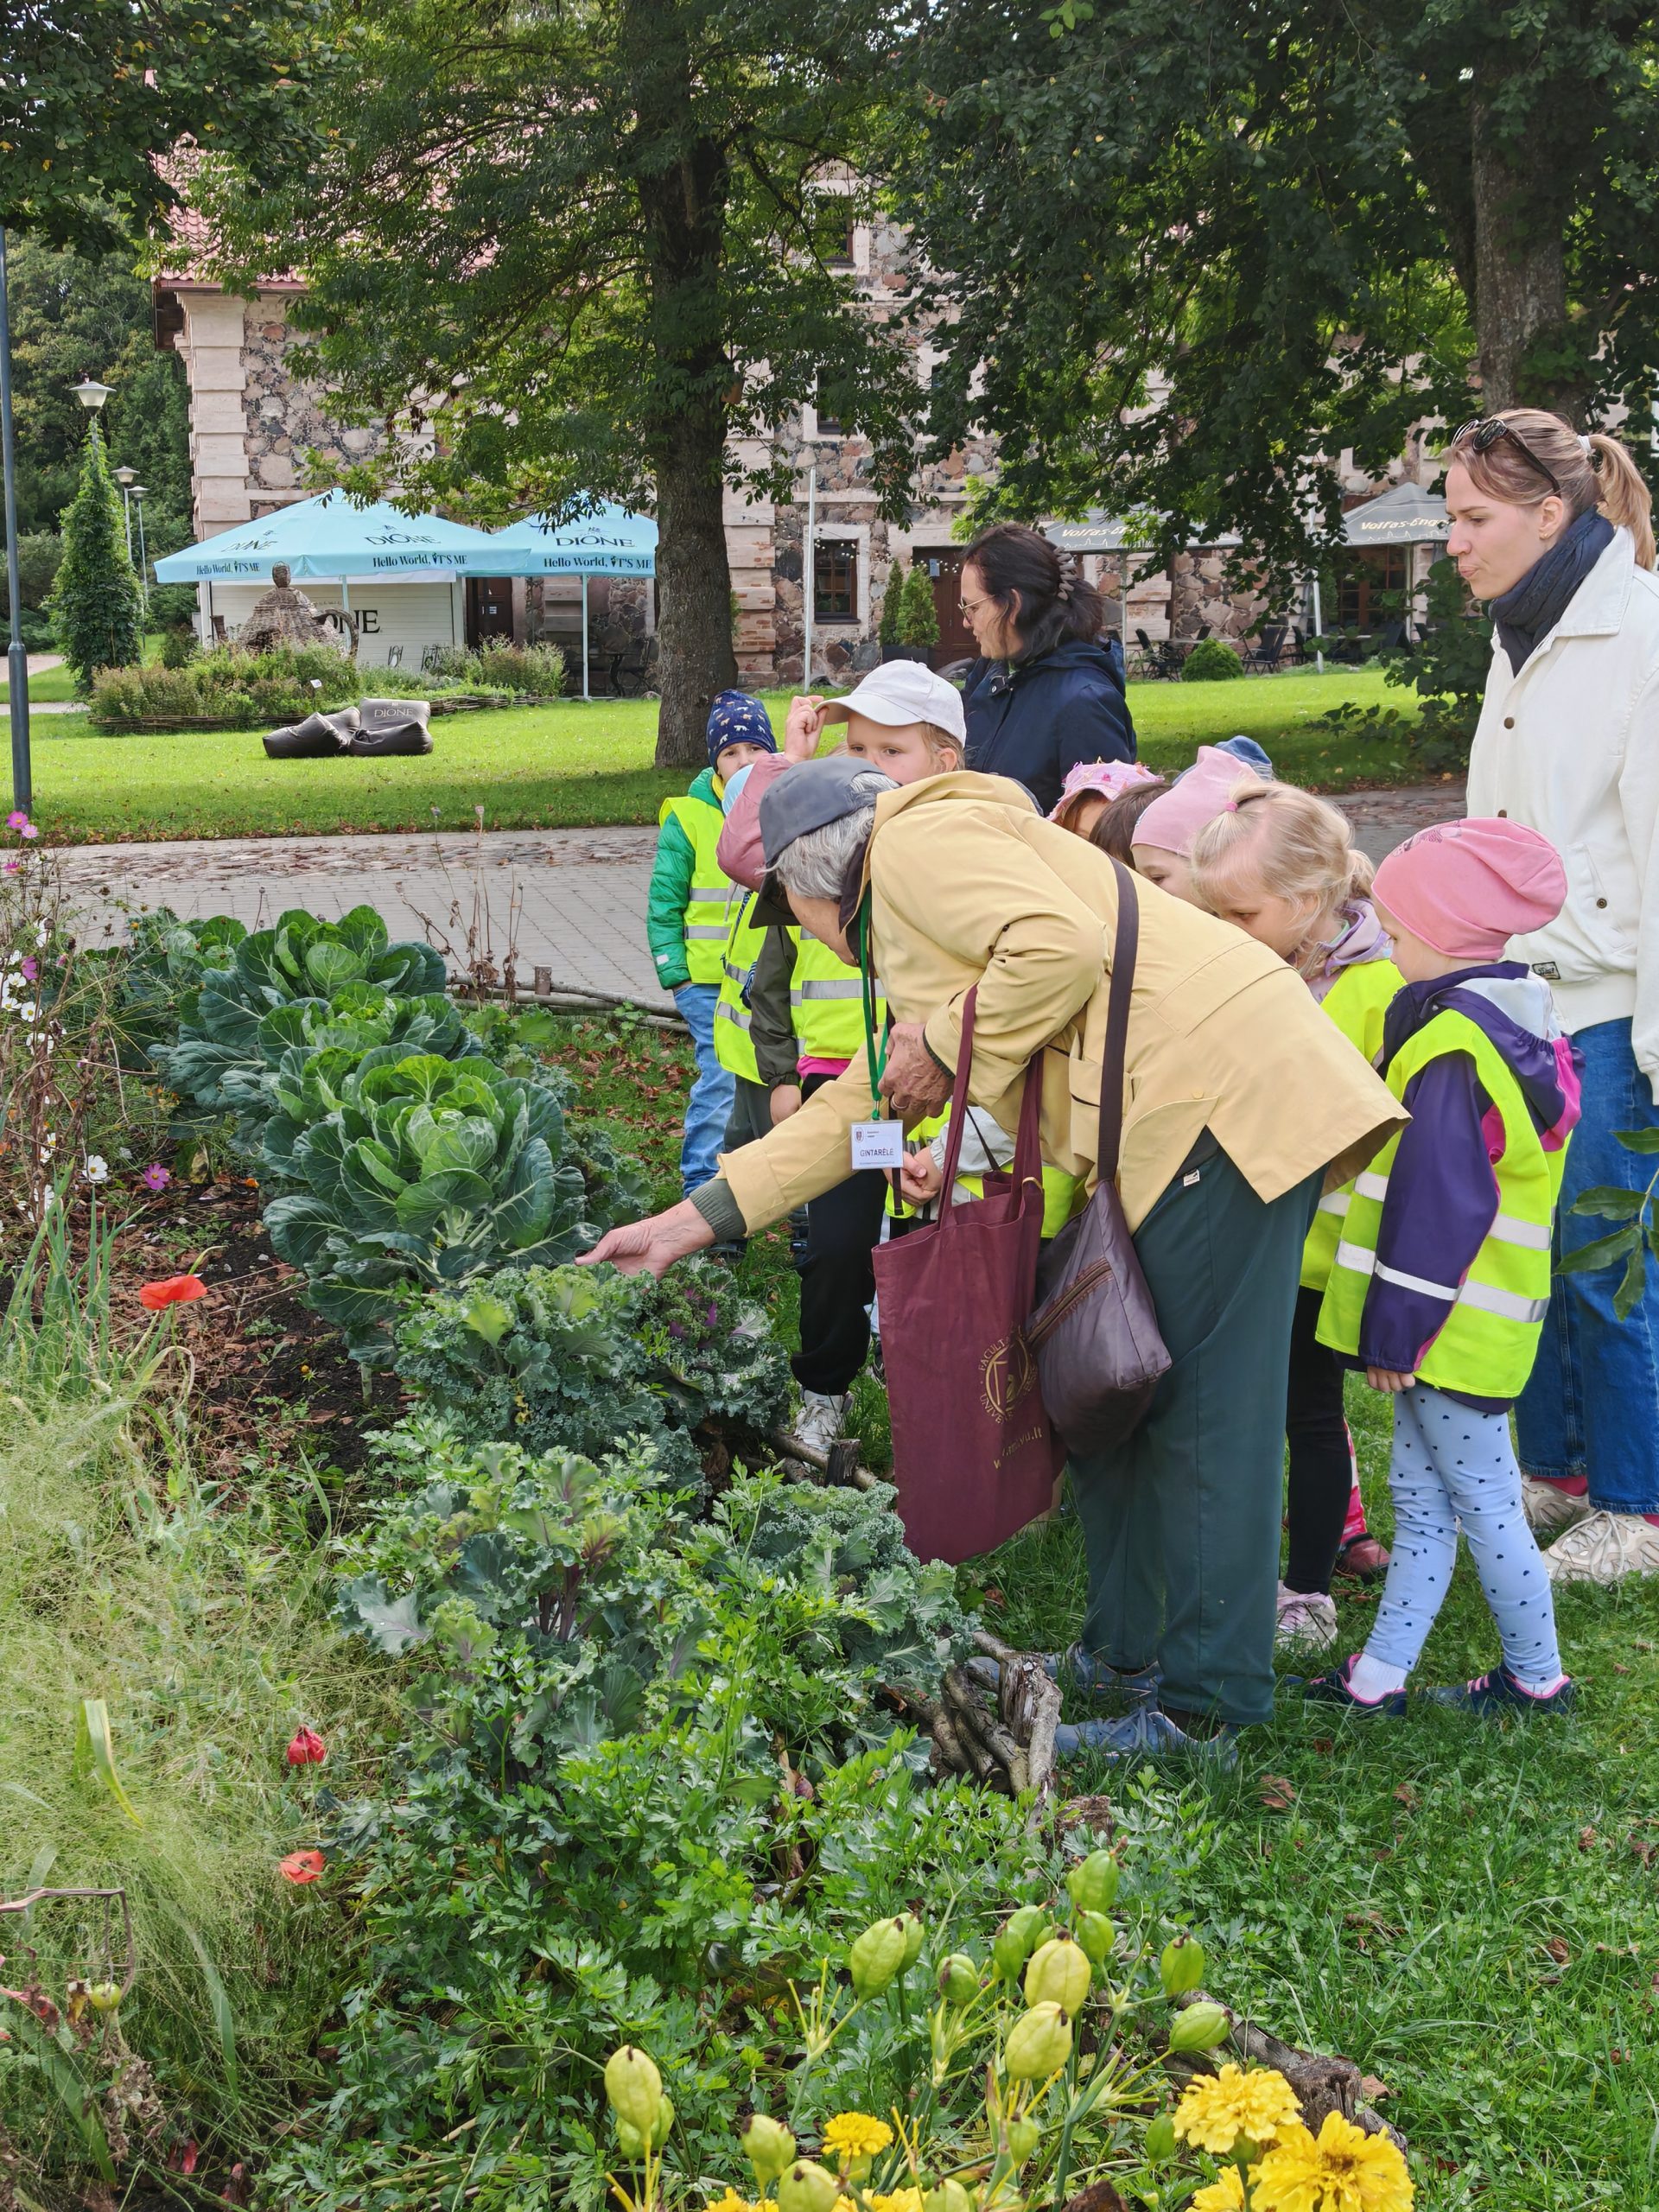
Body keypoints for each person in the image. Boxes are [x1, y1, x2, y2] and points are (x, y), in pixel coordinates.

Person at [583, 756, 1407, 1750]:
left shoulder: (913, 844)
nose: (796, 930)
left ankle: (1204, 1712)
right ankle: (1122, 1655)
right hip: (1167, 1116)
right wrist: (688, 1224)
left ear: (809, 881)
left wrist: (943, 1042)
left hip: (1222, 1103)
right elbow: (869, 1097)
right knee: (1112, 1401)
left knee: (1201, 1421)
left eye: (785, 910)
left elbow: (1059, 949)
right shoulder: (917, 899)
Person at [1305, 820, 1580, 1713]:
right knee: (1423, 1501)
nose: (1387, 948)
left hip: (1445, 1331)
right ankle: (1377, 1679)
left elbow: (1435, 1209)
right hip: (1459, 1329)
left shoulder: (1453, 1047)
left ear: (1441, 934)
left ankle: (1537, 1679)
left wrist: (1395, 1335)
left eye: (1395, 931)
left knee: (1485, 1503)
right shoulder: (1507, 1018)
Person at [1455, 409, 1659, 1586]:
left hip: (1615, 1004)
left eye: (1473, 519)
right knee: (1528, 1244)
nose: (1453, 542)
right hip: (1524, 998)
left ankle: (1637, 1503)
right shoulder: (1520, 632)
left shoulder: (1640, 633)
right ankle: (1561, 1472)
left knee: (1605, 1256)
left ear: (1549, 514)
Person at [1189, 783, 1403, 1649]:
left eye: (1240, 913)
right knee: (1253, 1407)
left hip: (1325, 1250)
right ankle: (1242, 1565)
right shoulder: (1260, 968)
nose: (1225, 929)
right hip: (1258, 1235)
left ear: (1308, 901)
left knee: (1310, 1415)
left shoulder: (1379, 989)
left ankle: (1309, 1589)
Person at [759, 668, 969, 1451]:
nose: (868, 768)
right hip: (846, 1087)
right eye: (856, 749)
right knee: (839, 1245)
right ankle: (824, 1387)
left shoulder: (965, 862)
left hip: (958, 1099)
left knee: (947, 1246)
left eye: (891, 751)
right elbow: (753, 866)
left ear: (946, 764)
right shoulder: (827, 852)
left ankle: (946, 1397)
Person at [648, 692, 777, 1196]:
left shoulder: (785, 807)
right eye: (731, 752)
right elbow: (664, 900)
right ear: (714, 762)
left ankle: (767, 1184)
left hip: (766, 981)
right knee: (721, 1077)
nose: (744, 761)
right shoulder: (688, 817)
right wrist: (673, 970)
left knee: (767, 1079)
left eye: (755, 749)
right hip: (704, 982)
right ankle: (702, 1184)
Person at [957, 523, 1135, 814]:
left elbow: (1099, 829)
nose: (966, 622)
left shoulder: (1084, 703)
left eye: (973, 607)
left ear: (1013, 604)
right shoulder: (992, 673)